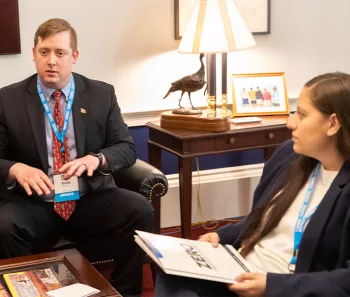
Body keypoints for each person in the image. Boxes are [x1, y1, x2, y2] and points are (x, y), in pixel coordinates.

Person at [154, 72, 350, 297]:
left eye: (302, 115)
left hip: (288, 288)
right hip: (241, 273)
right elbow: (261, 217)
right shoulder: (290, 155)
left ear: (333, 124)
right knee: (171, 271)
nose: (290, 122)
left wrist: (271, 286)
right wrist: (221, 236)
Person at [0, 18, 153, 297]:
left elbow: (126, 148)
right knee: (5, 225)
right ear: (33, 54)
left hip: (88, 198)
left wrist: (96, 160)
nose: (52, 61)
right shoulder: (7, 100)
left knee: (139, 209)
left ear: (74, 56)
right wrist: (15, 169)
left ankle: (125, 292)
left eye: (60, 53)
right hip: (35, 203)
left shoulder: (100, 94)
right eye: (44, 52)